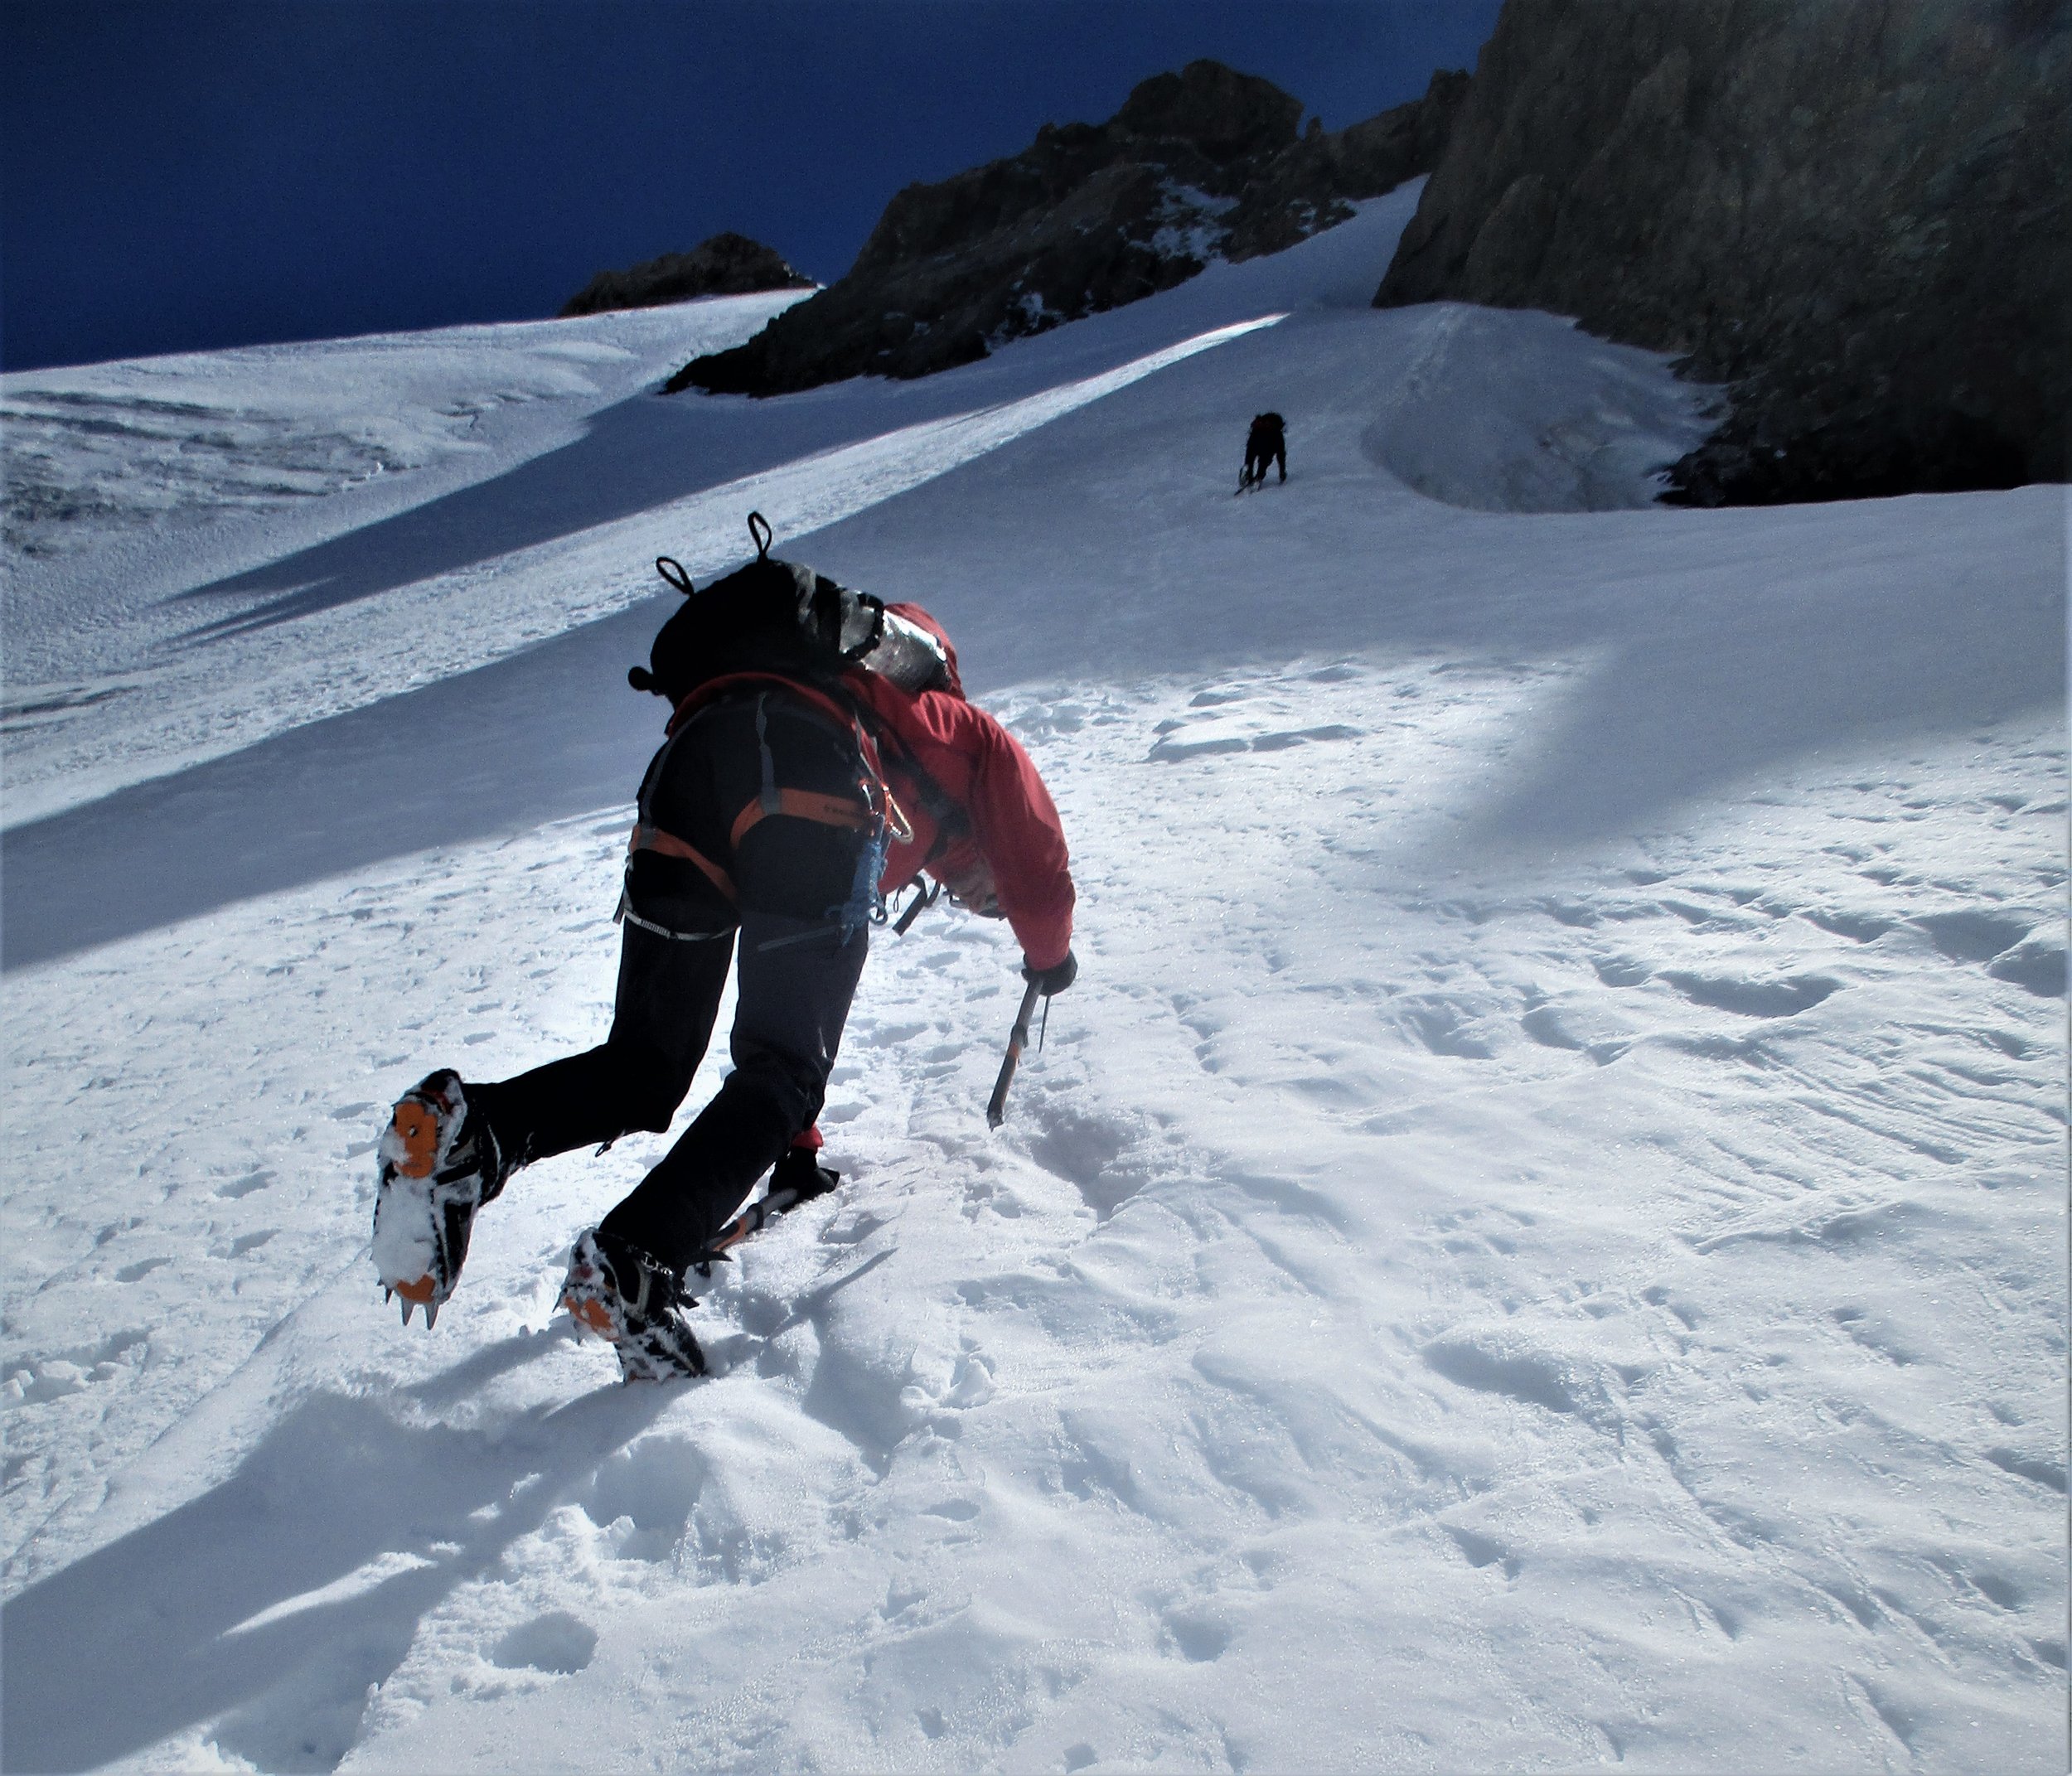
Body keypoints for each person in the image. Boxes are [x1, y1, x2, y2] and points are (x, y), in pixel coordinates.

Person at [371, 517, 1077, 1380]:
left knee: (647, 1062)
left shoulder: (845, 697)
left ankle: (465, 1131)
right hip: (806, 779)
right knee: (782, 1068)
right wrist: (1048, 956)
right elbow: (1037, 859)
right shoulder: (955, 728)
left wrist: (797, 1146)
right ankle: (635, 1254)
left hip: (687, 770)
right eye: (981, 896)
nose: (978, 901)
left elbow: (790, 1006)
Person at [1241, 411, 1287, 489]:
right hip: (1267, 446)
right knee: (1264, 462)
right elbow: (1281, 455)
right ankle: (1257, 478)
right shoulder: (1278, 435)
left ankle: (1248, 475)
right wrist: (1282, 472)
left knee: (1250, 460)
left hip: (1254, 442)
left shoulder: (1258, 428)